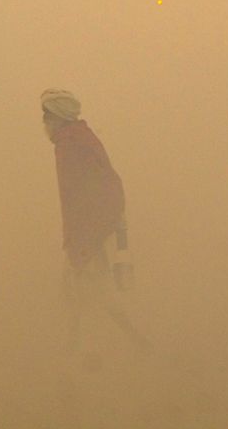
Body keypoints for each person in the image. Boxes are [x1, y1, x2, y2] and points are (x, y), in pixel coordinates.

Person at [40, 89, 149, 358]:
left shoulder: (70, 145)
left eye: (46, 117)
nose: (44, 124)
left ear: (56, 118)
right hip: (96, 228)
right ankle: (74, 348)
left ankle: (136, 342)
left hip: (88, 232)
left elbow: (77, 197)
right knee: (78, 292)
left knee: (90, 292)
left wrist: (80, 241)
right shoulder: (80, 138)